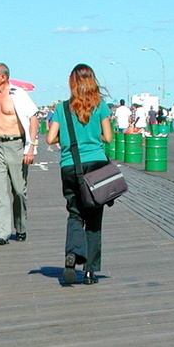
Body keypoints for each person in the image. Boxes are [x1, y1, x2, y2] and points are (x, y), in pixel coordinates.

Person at [45, 64, 113, 285]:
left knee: (75, 213)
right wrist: (92, 138)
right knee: (94, 219)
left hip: (70, 165)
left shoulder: (62, 108)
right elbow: (108, 137)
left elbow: (49, 138)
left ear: (72, 82)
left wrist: (66, 140)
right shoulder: (100, 106)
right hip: (96, 165)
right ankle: (91, 271)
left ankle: (72, 254)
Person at [0, 62, 39, 245]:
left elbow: (33, 118)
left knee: (19, 190)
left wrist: (30, 147)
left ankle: (20, 227)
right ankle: (2, 232)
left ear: (3, 77)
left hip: (16, 144)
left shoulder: (18, 94)